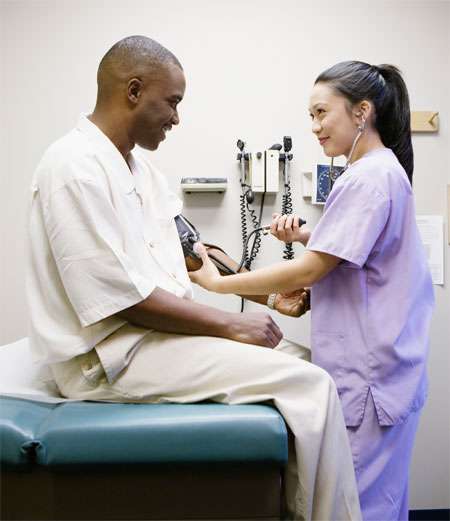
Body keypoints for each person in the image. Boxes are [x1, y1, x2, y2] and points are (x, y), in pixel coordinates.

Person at [27, 36, 362, 520]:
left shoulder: (141, 170)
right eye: (173, 102)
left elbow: (193, 251)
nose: (177, 118)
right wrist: (230, 325)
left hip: (154, 341)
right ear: (134, 90)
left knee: (304, 359)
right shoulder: (73, 167)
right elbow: (118, 301)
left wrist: (270, 296)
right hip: (112, 355)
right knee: (311, 386)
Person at [190, 61, 434, 521]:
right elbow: (356, 265)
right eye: (311, 115)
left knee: (358, 508)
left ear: (362, 112)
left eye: (322, 113)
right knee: (380, 503)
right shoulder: (378, 172)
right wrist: (307, 238)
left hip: (368, 381)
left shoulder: (367, 177)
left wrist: (219, 283)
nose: (315, 127)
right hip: (383, 371)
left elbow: (308, 272)